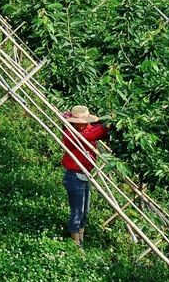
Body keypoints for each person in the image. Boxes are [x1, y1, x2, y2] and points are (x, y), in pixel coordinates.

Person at [61, 105, 108, 249]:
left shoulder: (87, 129)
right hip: (74, 176)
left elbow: (99, 134)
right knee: (77, 211)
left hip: (85, 175)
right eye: (79, 122)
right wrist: (104, 125)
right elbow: (88, 136)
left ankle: (81, 237)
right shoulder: (69, 133)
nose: (83, 125)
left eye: (85, 122)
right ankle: (75, 243)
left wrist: (109, 126)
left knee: (85, 210)